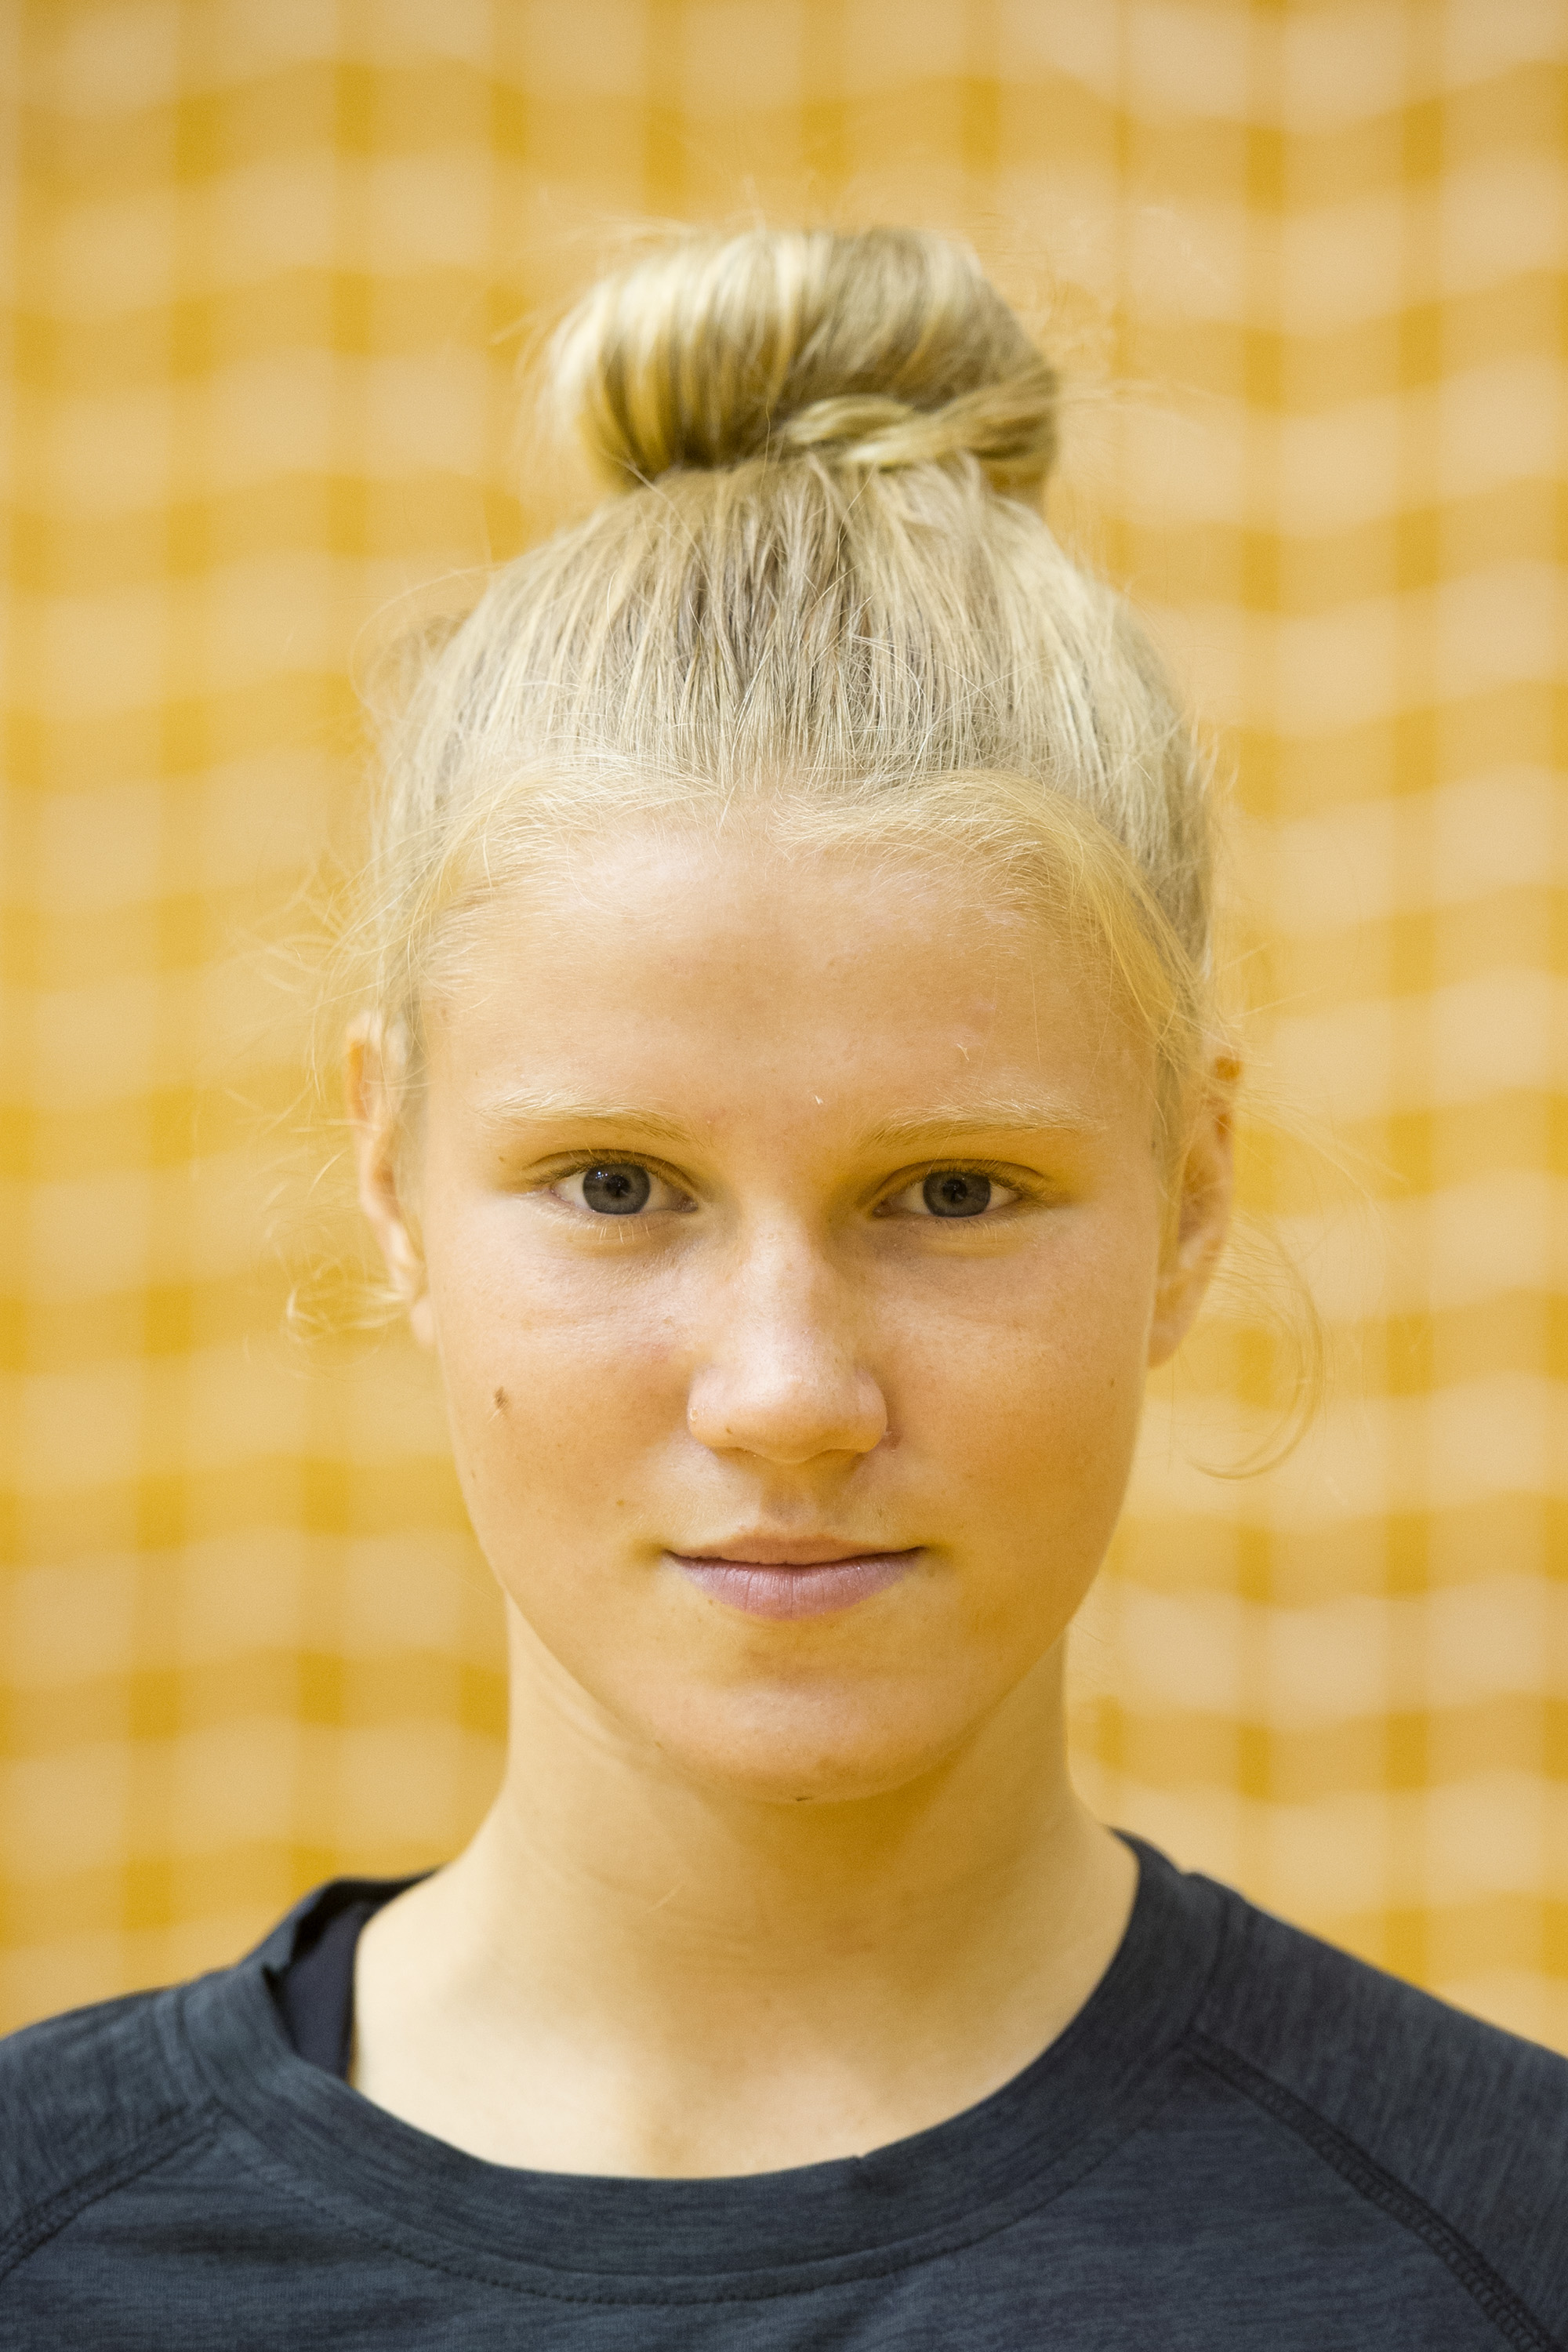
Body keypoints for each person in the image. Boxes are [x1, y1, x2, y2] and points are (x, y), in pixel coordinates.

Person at [2, 227, 1564, 2349]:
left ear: (1193, 1197)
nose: (785, 1394)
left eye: (952, 1191)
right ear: (392, 1175)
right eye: (617, 1186)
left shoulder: (1505, 2255)